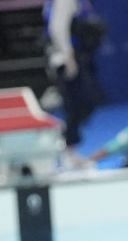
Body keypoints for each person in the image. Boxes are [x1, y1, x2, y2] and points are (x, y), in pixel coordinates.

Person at [44, 0, 104, 148]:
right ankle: (67, 147)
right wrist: (68, 56)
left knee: (79, 104)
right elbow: (57, 28)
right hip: (67, 58)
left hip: (72, 56)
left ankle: (69, 146)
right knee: (78, 103)